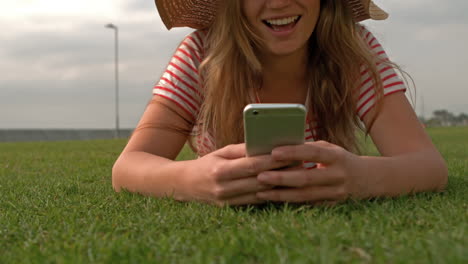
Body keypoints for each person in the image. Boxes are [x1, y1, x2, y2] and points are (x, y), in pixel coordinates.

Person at [112, 0, 448, 206]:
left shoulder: (351, 49)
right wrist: (192, 180)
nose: (279, 2)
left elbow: (429, 166)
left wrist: (361, 178)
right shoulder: (202, 55)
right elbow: (127, 168)